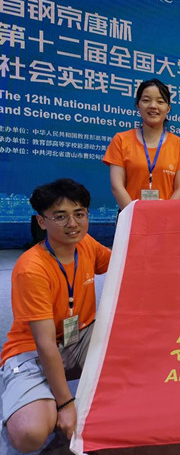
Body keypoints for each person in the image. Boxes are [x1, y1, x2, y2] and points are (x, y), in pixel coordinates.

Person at [0, 179, 111, 453]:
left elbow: (126, 262)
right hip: (32, 351)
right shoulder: (32, 269)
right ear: (41, 221)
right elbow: (45, 343)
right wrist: (66, 403)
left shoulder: (87, 244)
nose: (73, 224)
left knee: (131, 340)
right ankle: (26, 397)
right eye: (60, 216)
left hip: (79, 337)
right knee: (30, 433)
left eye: (79, 214)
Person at [103, 78, 180, 209]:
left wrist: (164, 213)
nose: (153, 106)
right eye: (146, 100)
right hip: (130, 216)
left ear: (168, 108)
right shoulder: (121, 140)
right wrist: (135, 214)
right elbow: (117, 186)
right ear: (138, 106)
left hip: (166, 217)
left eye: (160, 101)